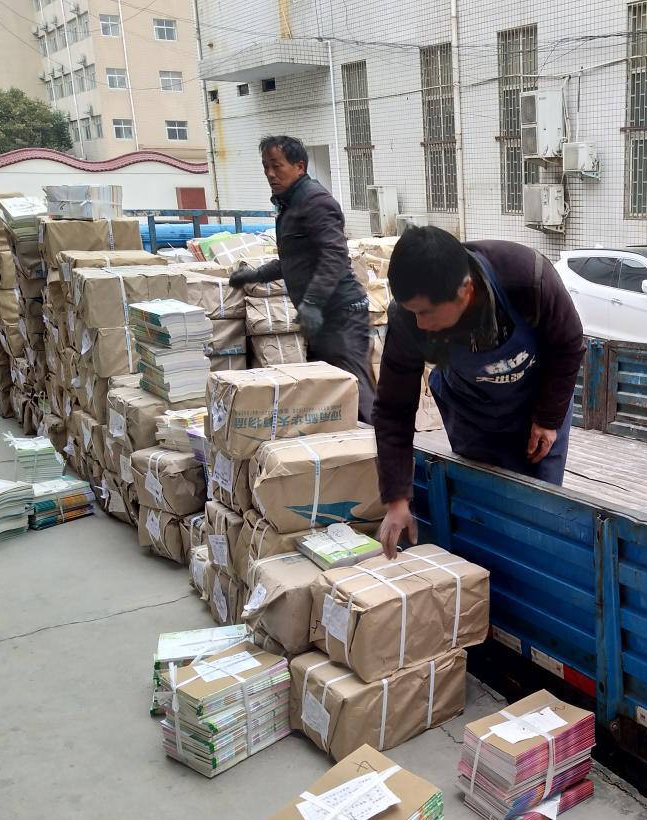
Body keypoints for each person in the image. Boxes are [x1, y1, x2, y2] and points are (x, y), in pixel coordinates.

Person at [373, 226, 586, 558]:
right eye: (413, 312)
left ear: (466, 290)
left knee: (538, 511)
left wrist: (548, 419)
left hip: (536, 403)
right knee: (481, 507)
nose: (420, 324)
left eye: (426, 312)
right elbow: (393, 409)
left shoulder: (528, 278)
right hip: (470, 410)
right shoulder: (407, 320)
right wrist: (397, 498)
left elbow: (569, 344)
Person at [229, 135, 375, 422]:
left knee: (352, 391)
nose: (270, 174)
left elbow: (334, 254)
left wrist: (312, 302)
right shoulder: (290, 204)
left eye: (277, 166)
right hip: (320, 320)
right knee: (328, 394)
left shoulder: (315, 200)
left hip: (341, 316)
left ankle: (384, 447)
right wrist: (257, 275)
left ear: (299, 166)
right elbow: (296, 260)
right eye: (266, 167)